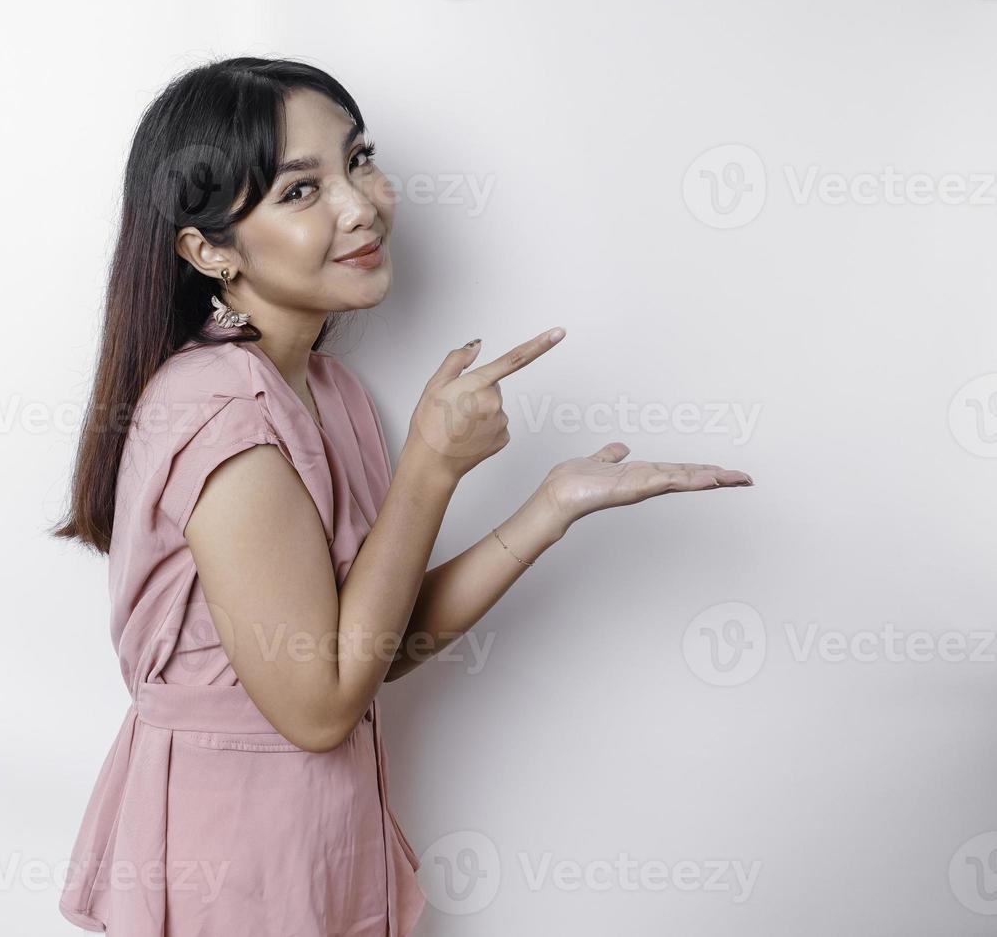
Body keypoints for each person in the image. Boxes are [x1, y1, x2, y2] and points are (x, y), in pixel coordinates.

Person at [48, 55, 753, 937]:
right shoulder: (220, 414)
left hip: (320, 844)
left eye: (358, 160)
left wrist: (548, 508)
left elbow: (373, 647)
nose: (359, 205)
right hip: (230, 864)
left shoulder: (330, 391)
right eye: (299, 192)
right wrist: (430, 463)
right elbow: (319, 707)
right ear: (208, 249)